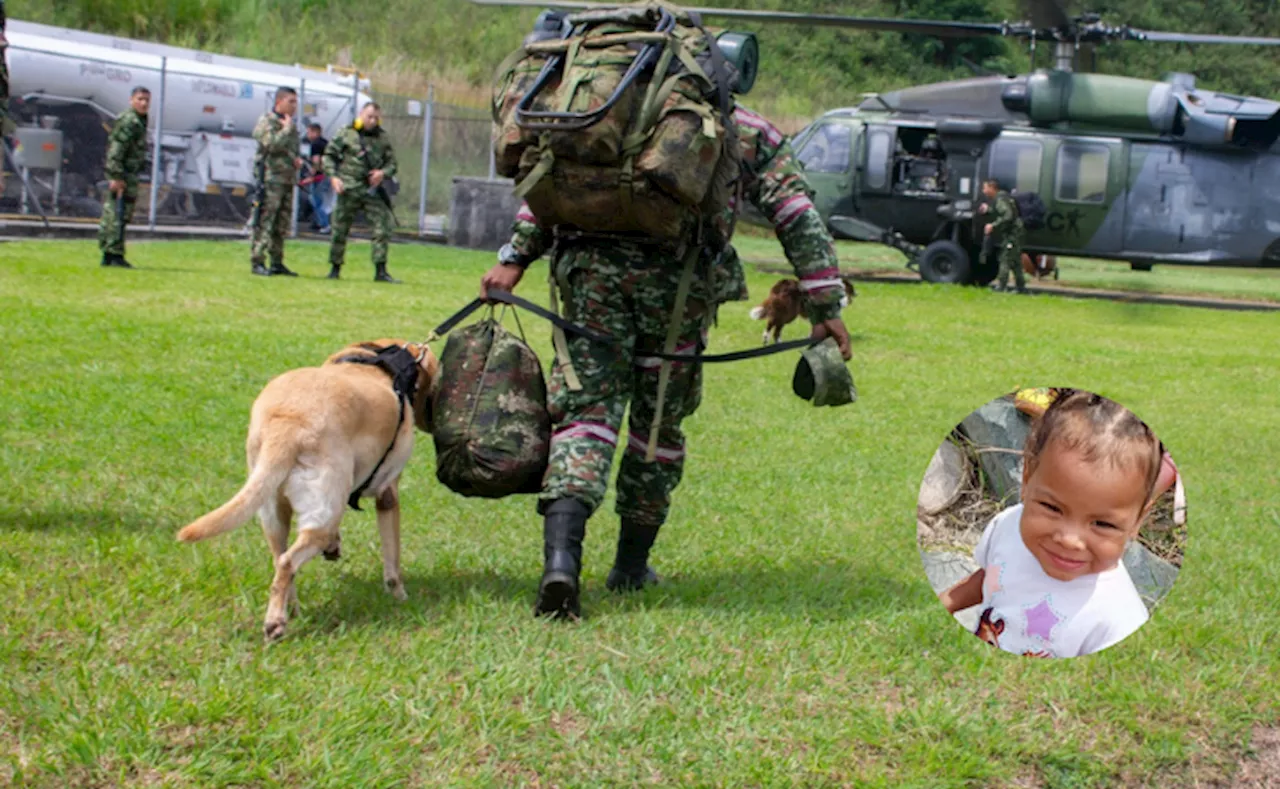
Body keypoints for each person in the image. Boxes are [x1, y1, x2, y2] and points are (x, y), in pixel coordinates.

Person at [480, 102, 852, 621]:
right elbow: (792, 209)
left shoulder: (599, 111)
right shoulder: (740, 125)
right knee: (657, 424)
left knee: (585, 414)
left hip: (589, 279)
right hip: (679, 290)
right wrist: (825, 303)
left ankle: (560, 564)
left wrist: (513, 259)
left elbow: (547, 186)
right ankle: (630, 567)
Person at [939, 390, 1163, 658]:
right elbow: (989, 577)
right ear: (1027, 478)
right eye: (1051, 508)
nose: (1069, 539)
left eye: (1103, 524)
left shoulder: (1118, 620)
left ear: (1138, 521)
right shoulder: (1007, 525)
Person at [324, 102, 400, 283]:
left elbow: (392, 164)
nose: (372, 121)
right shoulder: (346, 133)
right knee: (340, 229)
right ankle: (335, 267)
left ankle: (380, 270)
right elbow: (329, 156)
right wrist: (333, 177)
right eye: (369, 116)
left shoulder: (382, 138)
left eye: (376, 117)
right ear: (360, 115)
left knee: (382, 228)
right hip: (348, 188)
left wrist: (382, 173)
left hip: (371, 190)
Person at [249, 87, 302, 277]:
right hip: (271, 180)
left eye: (296, 102)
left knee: (281, 223)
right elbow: (270, 144)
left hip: (287, 179)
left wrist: (296, 159)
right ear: (279, 102)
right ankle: (257, 260)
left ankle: (277, 261)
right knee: (265, 220)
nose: (294, 106)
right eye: (291, 102)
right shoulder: (267, 121)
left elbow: (290, 148)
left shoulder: (290, 124)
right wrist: (286, 130)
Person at [97, 86, 150, 269]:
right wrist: (116, 176)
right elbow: (116, 150)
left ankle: (112, 252)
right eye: (140, 99)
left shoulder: (139, 121)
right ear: (131, 100)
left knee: (122, 213)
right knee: (116, 213)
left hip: (130, 174)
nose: (143, 103)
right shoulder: (129, 121)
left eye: (146, 100)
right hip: (123, 174)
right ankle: (112, 254)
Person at [979, 179, 1026, 293]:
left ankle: (1001, 287)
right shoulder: (1001, 198)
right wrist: (988, 210)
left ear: (992, 188)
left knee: (1005, 259)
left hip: (1012, 235)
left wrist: (993, 226)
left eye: (985, 188)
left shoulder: (1000, 199)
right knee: (1015, 262)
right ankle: (1021, 288)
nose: (984, 191)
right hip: (1015, 233)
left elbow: (1008, 215)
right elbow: (1001, 211)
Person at [304, 123, 331, 233]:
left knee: (316, 200)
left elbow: (316, 161)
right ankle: (318, 222)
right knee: (318, 199)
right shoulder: (325, 143)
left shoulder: (315, 145)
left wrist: (312, 175)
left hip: (320, 176)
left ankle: (325, 224)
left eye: (309, 132)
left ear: (315, 132)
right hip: (328, 174)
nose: (308, 135)